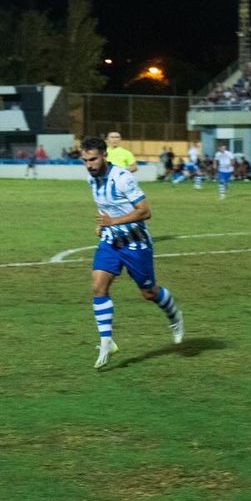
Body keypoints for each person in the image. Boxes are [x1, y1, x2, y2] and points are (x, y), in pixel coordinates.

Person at [80, 136, 183, 371]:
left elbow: (145, 211)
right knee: (98, 286)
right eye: (85, 160)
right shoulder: (91, 179)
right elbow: (103, 206)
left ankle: (175, 316)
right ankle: (107, 341)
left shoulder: (122, 178)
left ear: (104, 156)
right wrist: (102, 225)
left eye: (93, 159)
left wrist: (112, 221)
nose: (89, 165)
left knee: (149, 292)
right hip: (111, 242)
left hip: (136, 244)